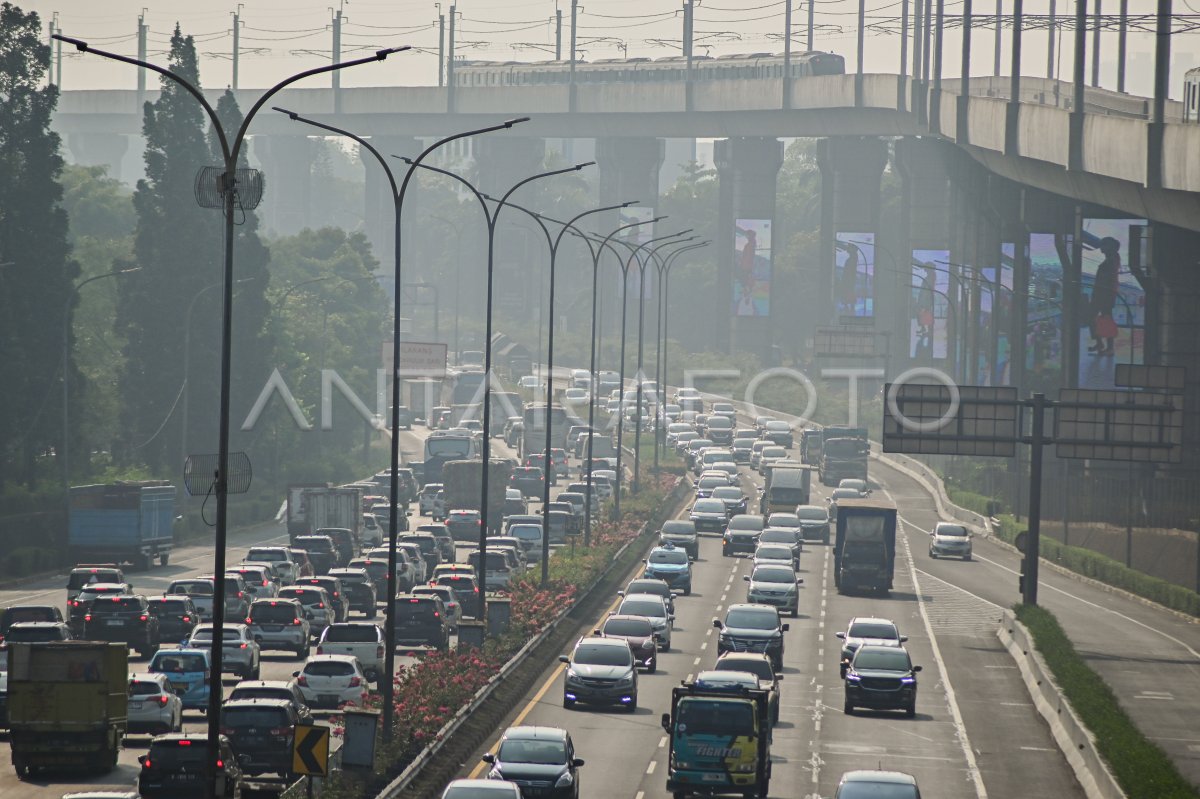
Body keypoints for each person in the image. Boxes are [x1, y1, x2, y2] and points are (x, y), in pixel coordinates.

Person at [1088, 237, 1121, 356]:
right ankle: (1102, 344)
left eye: (1104, 245)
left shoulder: (1111, 260)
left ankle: (1107, 346)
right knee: (1103, 319)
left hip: (1104, 295)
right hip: (1104, 294)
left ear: (1110, 247)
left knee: (1102, 319)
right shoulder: (1113, 259)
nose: (1101, 247)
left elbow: (1107, 280)